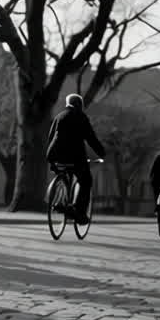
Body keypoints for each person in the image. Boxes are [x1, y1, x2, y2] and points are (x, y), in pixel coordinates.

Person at [46, 93, 106, 224]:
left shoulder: (59, 116)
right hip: (76, 158)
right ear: (80, 105)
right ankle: (78, 212)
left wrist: (51, 157)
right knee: (86, 180)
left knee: (65, 174)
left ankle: (62, 200)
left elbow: (50, 138)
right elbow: (91, 138)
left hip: (56, 157)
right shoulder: (81, 117)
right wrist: (102, 153)